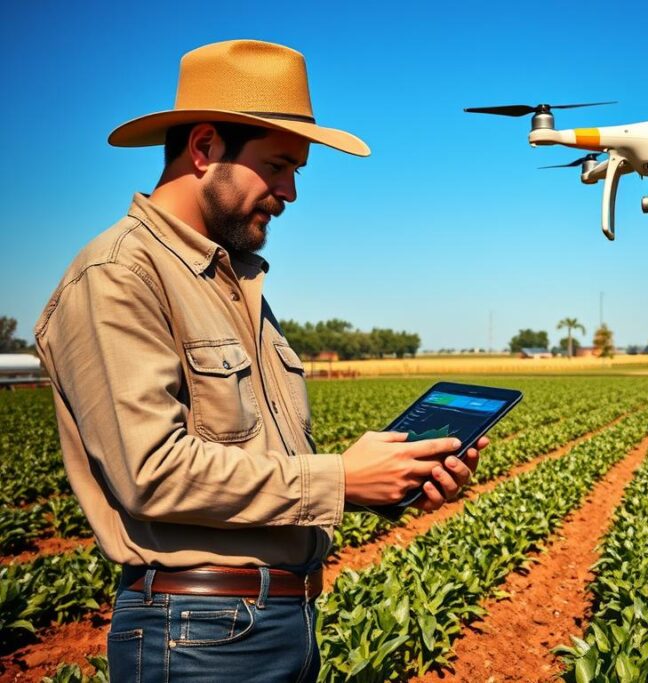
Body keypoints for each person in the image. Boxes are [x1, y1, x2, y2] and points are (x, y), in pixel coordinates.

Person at [33, 39, 486, 682]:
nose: (291, 191)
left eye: (297, 170)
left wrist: (389, 482)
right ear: (205, 148)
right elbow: (150, 471)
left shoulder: (233, 281)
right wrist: (338, 481)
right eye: (278, 166)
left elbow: (258, 469)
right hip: (196, 640)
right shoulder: (119, 275)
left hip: (282, 622)